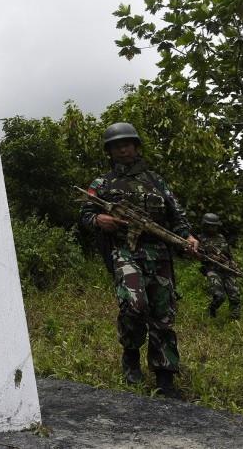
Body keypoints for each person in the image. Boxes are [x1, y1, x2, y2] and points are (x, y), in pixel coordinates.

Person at [81, 122, 198, 398]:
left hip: (159, 253)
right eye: (116, 146)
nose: (122, 149)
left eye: (127, 144)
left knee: (163, 315)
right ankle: (131, 353)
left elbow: (176, 215)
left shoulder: (156, 181)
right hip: (125, 251)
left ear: (135, 146)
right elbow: (85, 214)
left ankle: (165, 376)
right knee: (134, 306)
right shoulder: (102, 183)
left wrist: (189, 237)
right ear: (109, 151)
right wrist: (100, 219)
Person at [196, 213, 241, 320]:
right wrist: (211, 257)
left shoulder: (220, 237)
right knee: (219, 296)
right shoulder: (200, 239)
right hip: (212, 269)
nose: (213, 228)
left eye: (215, 226)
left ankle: (235, 318)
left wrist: (233, 263)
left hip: (227, 269)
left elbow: (228, 253)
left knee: (235, 293)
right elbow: (198, 255)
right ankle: (212, 308)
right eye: (211, 226)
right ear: (205, 225)